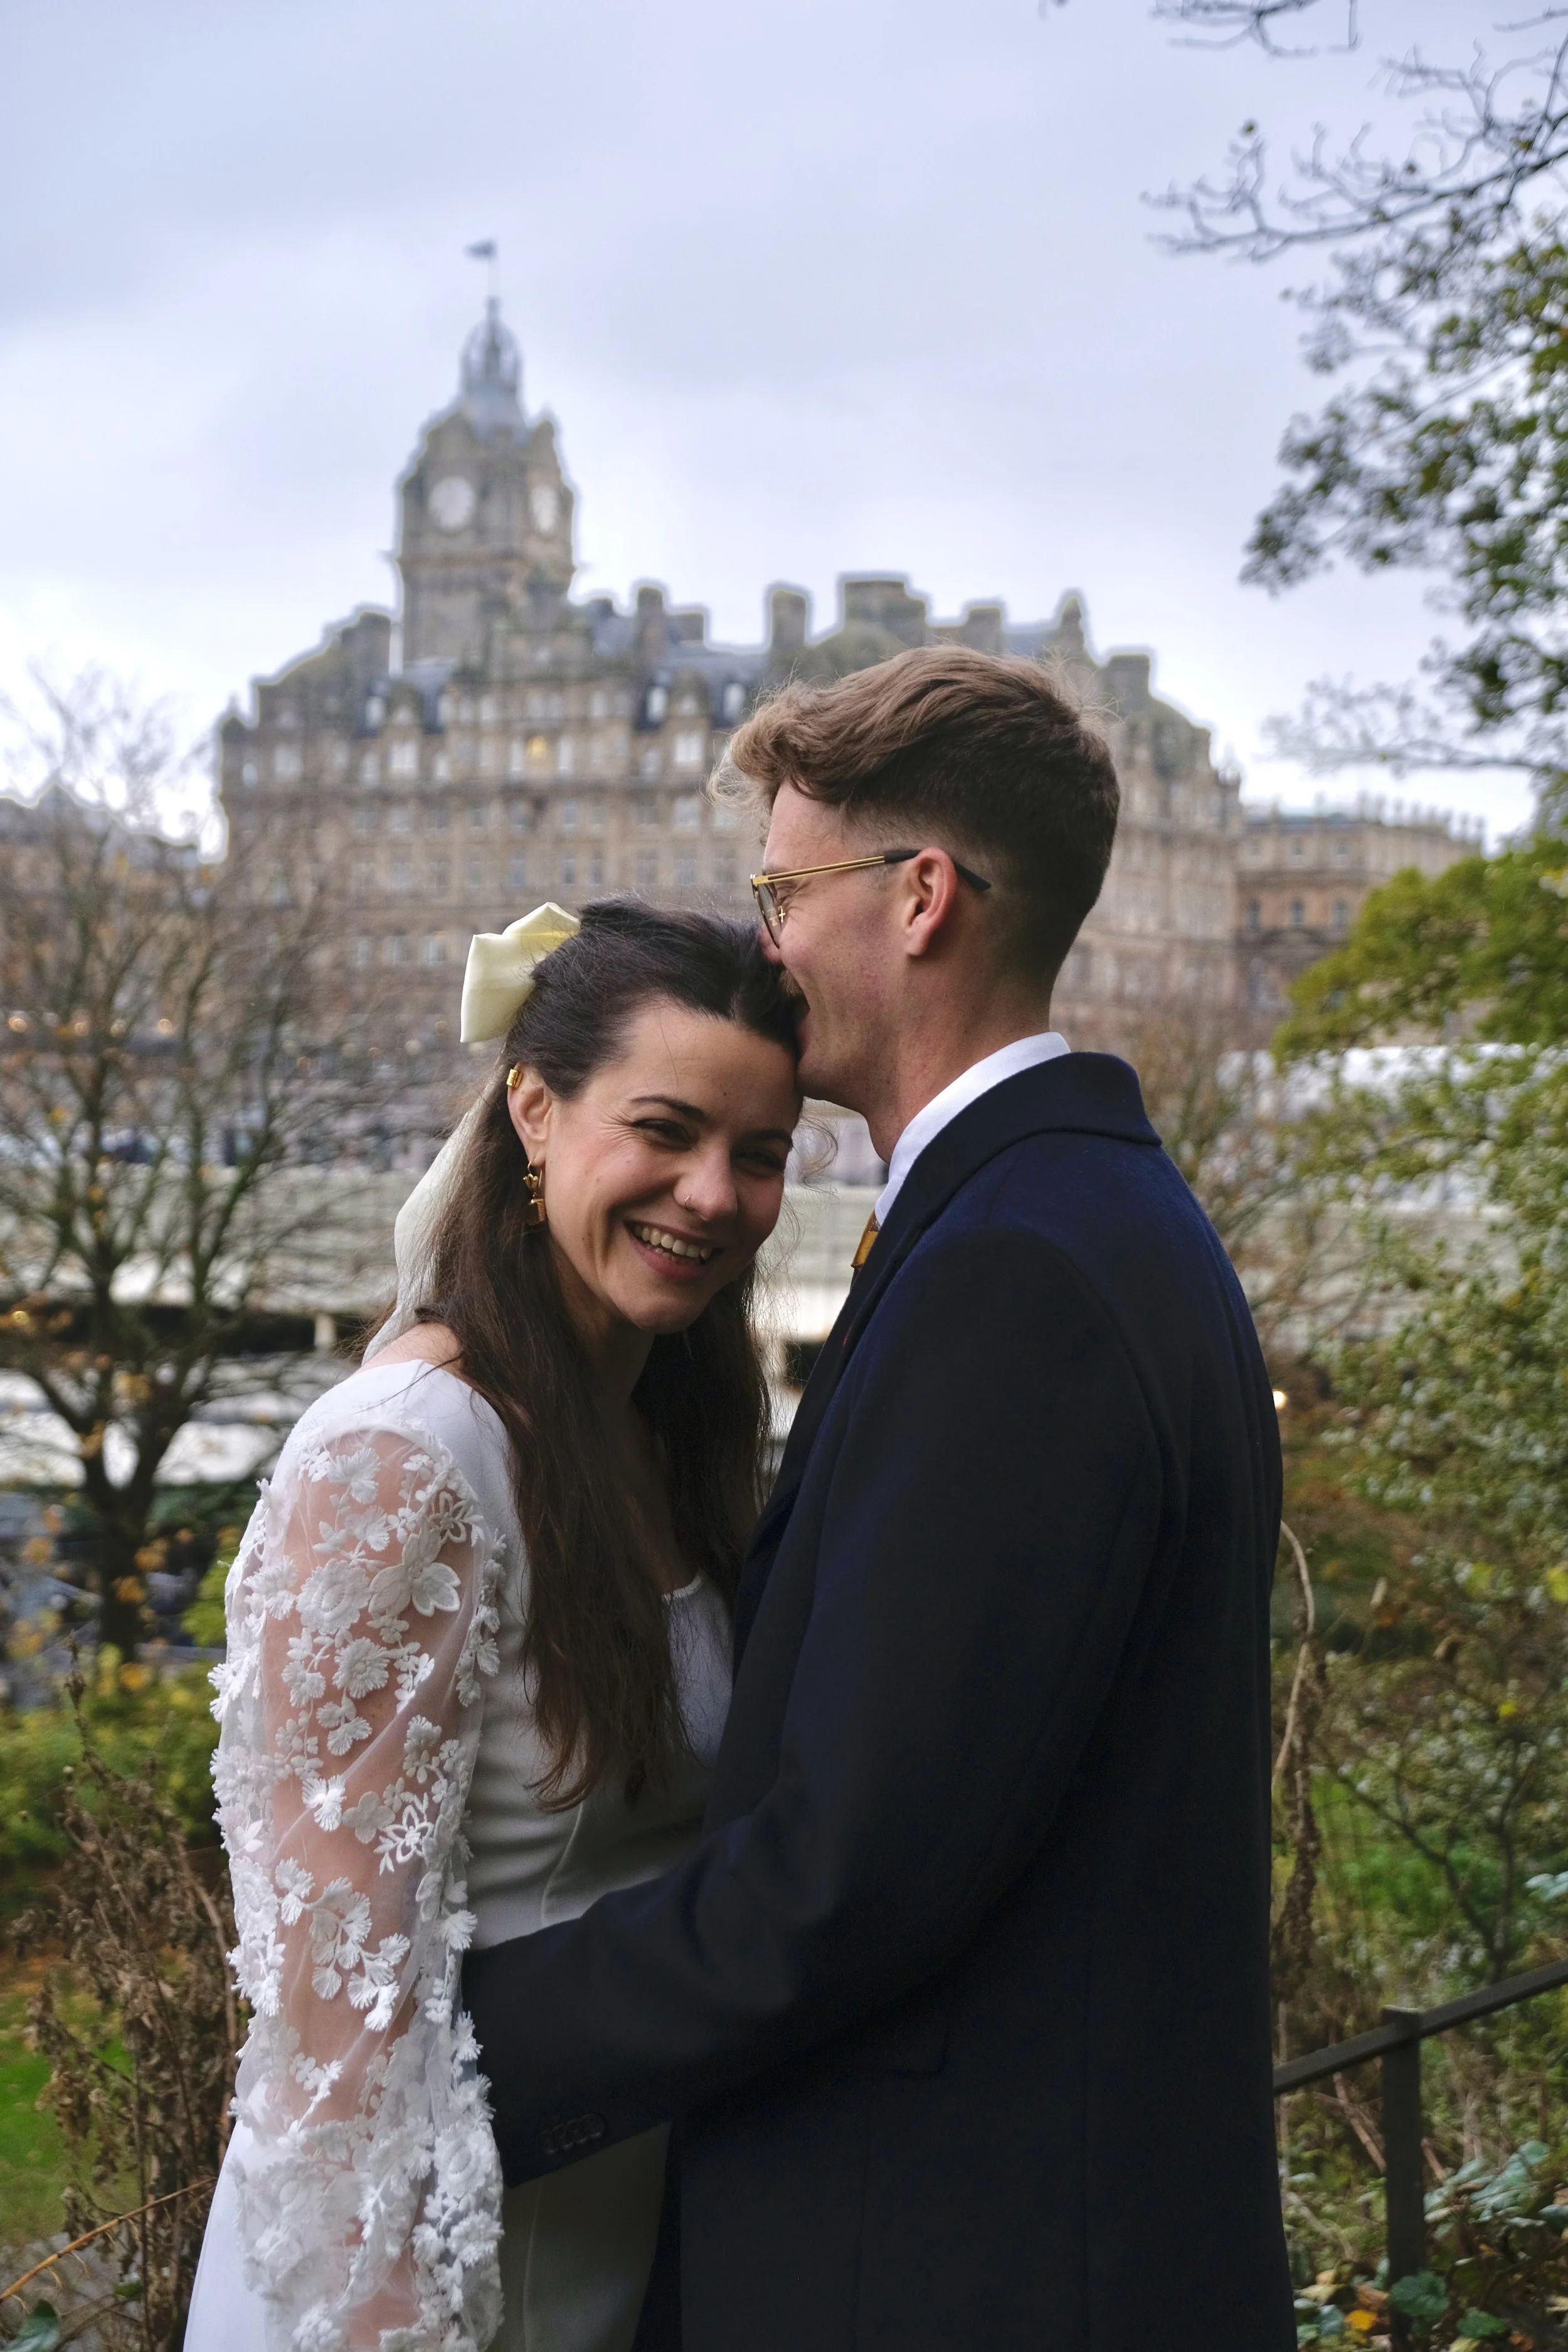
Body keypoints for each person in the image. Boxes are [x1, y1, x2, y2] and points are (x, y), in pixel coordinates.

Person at [463, 647, 1296, 2352]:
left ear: (919, 897)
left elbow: (843, 1876)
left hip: (949, 2268)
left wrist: (445, 2038)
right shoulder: (1073, 1218)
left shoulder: (1016, 1277)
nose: (761, 939)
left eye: (782, 888)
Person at [184, 900, 802, 2352]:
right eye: (662, 1129)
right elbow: (338, 2019)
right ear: (532, 1107)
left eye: (759, 1154)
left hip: (609, 2260)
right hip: (426, 2300)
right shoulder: (407, 1459)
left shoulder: (657, 1433)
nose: (711, 1193)